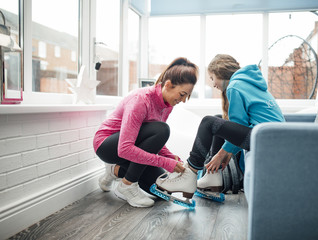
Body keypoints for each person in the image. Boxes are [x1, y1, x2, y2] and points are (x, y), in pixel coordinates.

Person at [155, 54, 285, 200]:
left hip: (266, 138)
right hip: (272, 136)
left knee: (208, 122)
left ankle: (189, 175)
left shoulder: (235, 86)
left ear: (219, 72)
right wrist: (226, 152)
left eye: (212, 78)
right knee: (218, 120)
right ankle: (213, 177)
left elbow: (238, 126)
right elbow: (238, 128)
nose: (213, 84)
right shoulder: (249, 82)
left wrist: (221, 154)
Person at [93, 57, 198, 208]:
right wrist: (166, 163)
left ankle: (115, 171)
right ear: (168, 85)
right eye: (182, 94)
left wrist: (170, 157)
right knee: (162, 129)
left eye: (186, 96)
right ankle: (127, 185)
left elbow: (152, 141)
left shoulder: (167, 104)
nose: (182, 100)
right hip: (107, 145)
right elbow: (125, 148)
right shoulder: (140, 100)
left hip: (128, 146)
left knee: (161, 191)